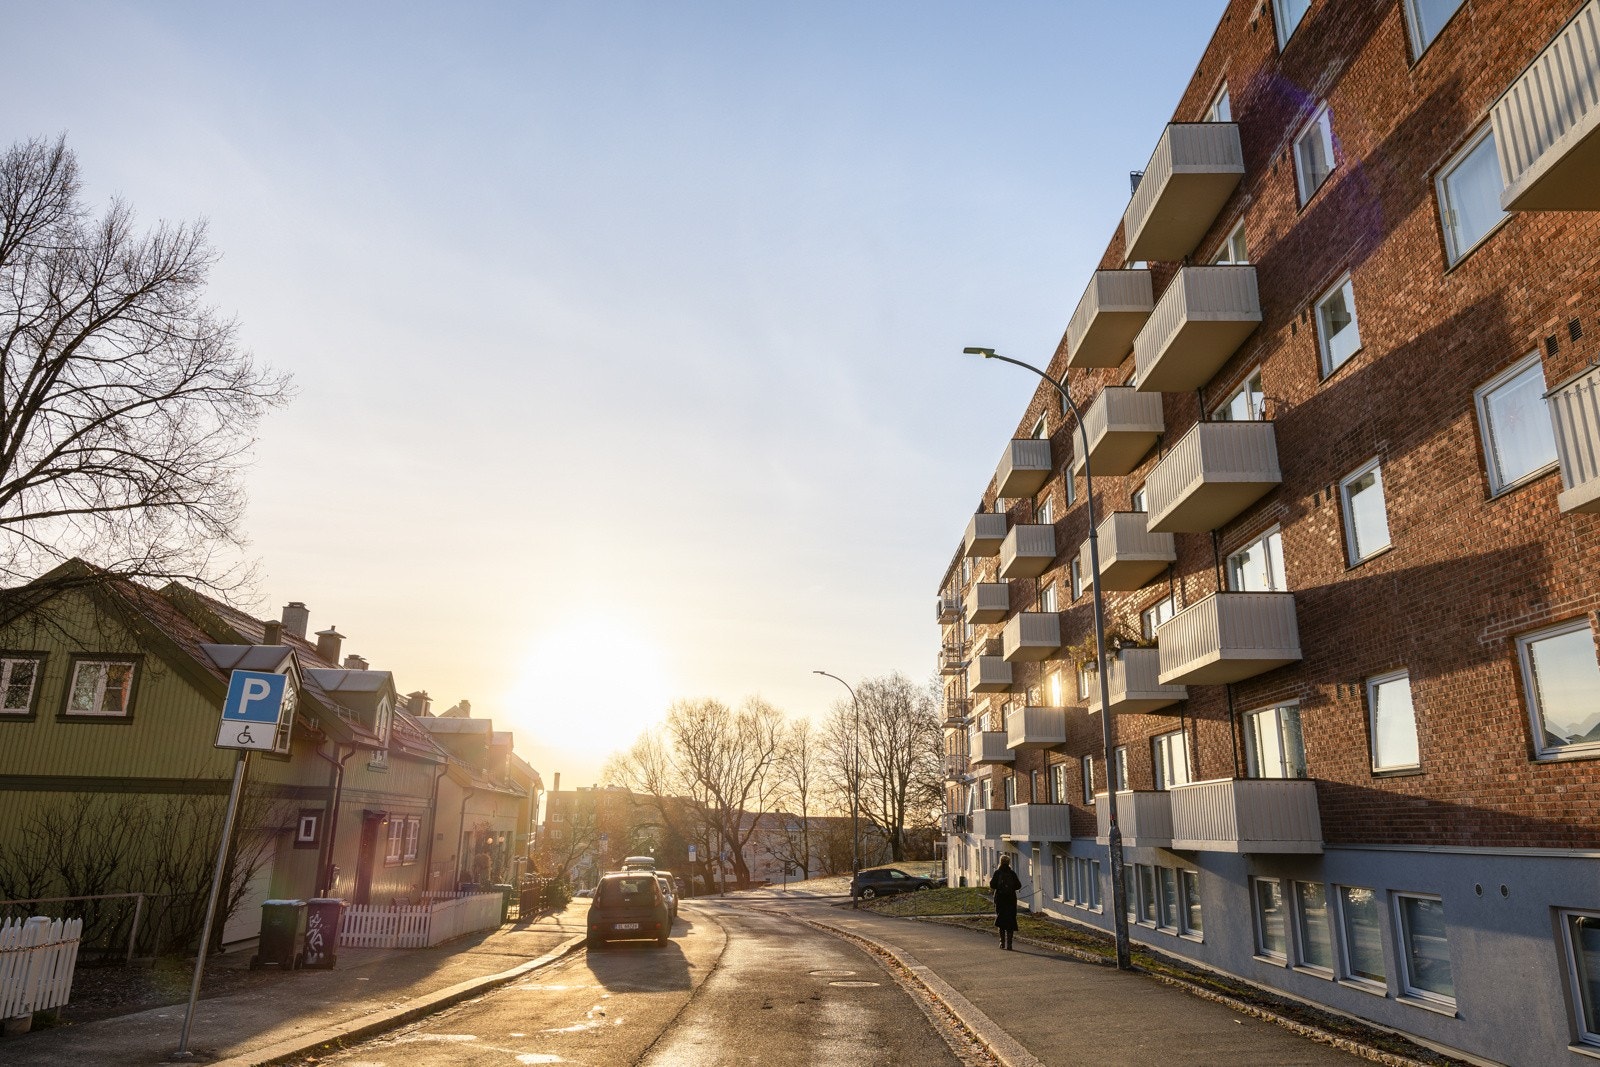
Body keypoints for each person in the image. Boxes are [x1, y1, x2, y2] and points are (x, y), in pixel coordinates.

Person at [990, 854, 1022, 950]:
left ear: (1000, 862)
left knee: (1001, 920)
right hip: (1011, 900)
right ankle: (1010, 944)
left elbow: (992, 884)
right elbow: (1018, 885)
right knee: (1011, 921)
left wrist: (1000, 888)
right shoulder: (1012, 873)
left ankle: (1002, 942)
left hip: (1000, 899)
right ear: (1009, 863)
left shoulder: (997, 873)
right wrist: (1010, 888)